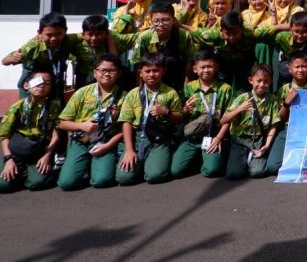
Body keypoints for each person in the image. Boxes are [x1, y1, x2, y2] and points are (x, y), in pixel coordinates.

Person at [57, 54, 125, 190]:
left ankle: (101, 162)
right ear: (95, 72)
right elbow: (62, 123)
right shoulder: (82, 93)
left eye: (111, 70)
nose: (106, 74)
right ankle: (85, 163)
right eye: (102, 70)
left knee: (102, 181)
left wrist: (108, 145)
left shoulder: (125, 97)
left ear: (119, 73)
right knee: (66, 183)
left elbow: (125, 128)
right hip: (81, 140)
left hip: (106, 141)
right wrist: (81, 126)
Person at [116, 53, 182, 185]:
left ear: (163, 71)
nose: (151, 74)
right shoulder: (133, 94)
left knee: (155, 176)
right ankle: (138, 162)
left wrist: (166, 112)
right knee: (124, 178)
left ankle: (158, 158)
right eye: (147, 71)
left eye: (156, 70)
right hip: (137, 138)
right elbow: (126, 122)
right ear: (140, 73)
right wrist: (129, 150)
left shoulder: (170, 93)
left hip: (159, 138)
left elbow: (179, 118)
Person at [0, 66, 61, 193]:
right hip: (17, 152)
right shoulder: (17, 107)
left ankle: (34, 172)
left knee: (37, 183)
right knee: (2, 186)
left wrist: (47, 156)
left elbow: (56, 135)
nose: (42, 86)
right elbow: (4, 136)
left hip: (40, 151)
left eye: (47, 83)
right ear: (26, 86)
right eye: (38, 82)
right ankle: (19, 171)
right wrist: (9, 159)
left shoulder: (54, 107)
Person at [170, 48, 233, 180]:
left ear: (216, 67)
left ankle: (210, 158)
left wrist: (219, 138)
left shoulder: (225, 89)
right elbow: (180, 115)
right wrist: (186, 109)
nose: (206, 70)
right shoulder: (189, 88)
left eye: (210, 66)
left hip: (213, 136)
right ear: (195, 69)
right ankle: (197, 157)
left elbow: (229, 118)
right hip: (192, 137)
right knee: (176, 171)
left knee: (211, 170)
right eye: (202, 67)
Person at [2, 12, 91, 100]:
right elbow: (4, 61)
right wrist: (12, 58)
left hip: (54, 83)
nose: (54, 38)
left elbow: (88, 34)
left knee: (56, 110)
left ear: (65, 31)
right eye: (49, 35)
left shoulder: (69, 39)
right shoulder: (33, 46)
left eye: (58, 34)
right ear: (39, 33)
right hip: (33, 86)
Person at [268, 51, 307, 176]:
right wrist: (286, 103)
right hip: (288, 128)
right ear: (289, 69)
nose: (300, 70)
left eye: (304, 66)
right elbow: (279, 119)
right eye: (297, 67)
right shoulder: (284, 89)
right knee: (272, 166)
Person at [222, 63, 281, 180]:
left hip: (258, 140)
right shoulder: (242, 98)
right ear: (251, 80)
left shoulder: (273, 100)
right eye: (258, 81)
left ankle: (252, 161)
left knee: (258, 172)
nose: (262, 85)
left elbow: (274, 124)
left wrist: (266, 145)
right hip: (240, 139)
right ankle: (239, 160)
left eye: (266, 81)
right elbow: (224, 120)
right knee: (234, 174)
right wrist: (240, 109)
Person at [126, 2, 196, 92]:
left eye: (165, 20)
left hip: (176, 78)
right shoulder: (145, 38)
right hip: (152, 79)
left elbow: (189, 63)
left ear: (174, 20)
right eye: (156, 21)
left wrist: (186, 89)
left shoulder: (184, 36)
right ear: (151, 21)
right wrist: (142, 91)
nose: (161, 24)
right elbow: (138, 65)